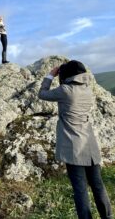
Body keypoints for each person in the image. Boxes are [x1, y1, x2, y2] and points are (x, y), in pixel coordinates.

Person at [38, 60, 113, 219]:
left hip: (74, 147)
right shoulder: (87, 90)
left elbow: (42, 93)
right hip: (90, 144)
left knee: (80, 189)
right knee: (97, 185)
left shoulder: (65, 90)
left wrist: (51, 75)